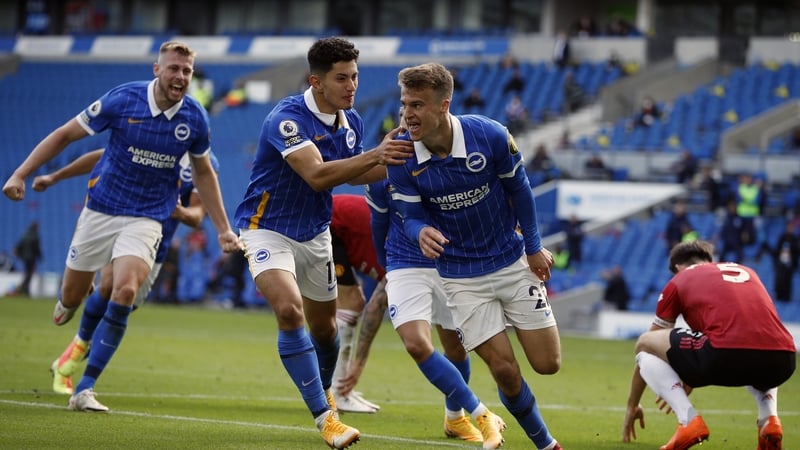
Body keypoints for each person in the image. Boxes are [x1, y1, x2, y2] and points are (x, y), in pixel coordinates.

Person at [2, 40, 241, 412]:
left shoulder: (195, 120)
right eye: (174, 69)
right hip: (101, 209)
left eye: (187, 71)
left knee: (124, 290)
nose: (180, 77)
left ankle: (85, 388)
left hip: (148, 218)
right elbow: (73, 139)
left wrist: (224, 228)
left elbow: (205, 174)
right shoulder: (122, 100)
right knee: (72, 296)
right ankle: (71, 310)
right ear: (157, 69)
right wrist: (26, 174)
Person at [232, 36, 413, 449]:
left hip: (315, 235)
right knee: (290, 310)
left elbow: (353, 174)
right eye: (341, 78)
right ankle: (325, 417)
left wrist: (404, 162)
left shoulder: (352, 122)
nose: (351, 86)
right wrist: (377, 156)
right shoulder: (287, 119)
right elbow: (316, 175)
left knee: (326, 331)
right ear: (316, 82)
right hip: (266, 229)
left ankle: (325, 392)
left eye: (355, 77)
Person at [388, 62, 563, 450]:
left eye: (417, 105)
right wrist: (420, 232)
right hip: (460, 276)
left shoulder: (490, 136)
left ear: (443, 105)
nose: (407, 114)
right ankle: (546, 443)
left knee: (548, 364)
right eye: (404, 104)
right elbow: (410, 215)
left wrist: (533, 246)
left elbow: (521, 192)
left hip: (511, 260)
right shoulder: (401, 153)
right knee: (504, 370)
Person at [32, 148, 218, 395]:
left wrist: (180, 212)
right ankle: (79, 371)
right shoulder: (149, 136)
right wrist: (56, 176)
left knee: (123, 305)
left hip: (156, 246)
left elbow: (197, 214)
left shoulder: (204, 163)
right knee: (112, 288)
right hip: (124, 226)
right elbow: (102, 155)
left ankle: (70, 359)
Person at [357, 177, 506, 445]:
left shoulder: (449, 161)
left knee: (457, 348)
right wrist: (385, 263)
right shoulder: (383, 168)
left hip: (449, 263)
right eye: (403, 130)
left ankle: (455, 418)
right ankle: (482, 415)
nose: (409, 132)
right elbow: (378, 220)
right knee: (416, 344)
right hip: (405, 264)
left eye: (412, 129)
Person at [622, 240, 796, 449]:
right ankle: (770, 420)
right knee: (760, 343)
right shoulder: (747, 271)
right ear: (709, 261)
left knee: (644, 342)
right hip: (784, 360)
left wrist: (632, 404)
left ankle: (688, 421)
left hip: (723, 356)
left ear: (678, 267)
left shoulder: (681, 279)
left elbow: (649, 345)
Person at [329, 193, 386, 413]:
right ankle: (337, 390)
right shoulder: (404, 259)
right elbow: (376, 307)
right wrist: (359, 364)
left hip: (339, 226)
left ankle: (339, 388)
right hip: (325, 225)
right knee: (351, 303)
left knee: (348, 305)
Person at [761, 221, 800, 302]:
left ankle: (786, 297)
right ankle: (778, 295)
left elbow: (796, 252)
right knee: (779, 280)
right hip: (781, 263)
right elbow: (777, 250)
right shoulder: (782, 237)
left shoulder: (794, 239)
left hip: (790, 264)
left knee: (787, 281)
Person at [13, 220, 42, 296]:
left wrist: (19, 255)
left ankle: (24, 289)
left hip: (25, 258)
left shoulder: (25, 234)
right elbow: (36, 248)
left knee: (27, 274)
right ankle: (24, 289)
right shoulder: (35, 236)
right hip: (31, 258)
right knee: (29, 275)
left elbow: (19, 245)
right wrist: (40, 257)